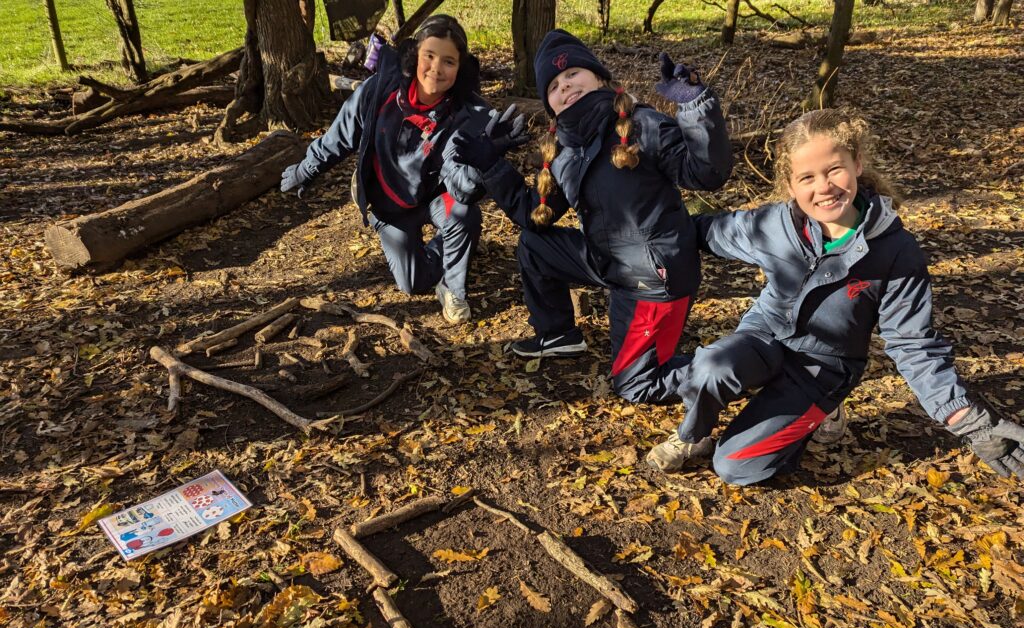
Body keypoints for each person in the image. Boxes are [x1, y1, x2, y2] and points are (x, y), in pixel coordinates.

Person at [646, 108, 1024, 484]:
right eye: (807, 177)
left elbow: (913, 344)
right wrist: (636, 232)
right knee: (712, 364)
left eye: (834, 170)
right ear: (791, 186)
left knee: (736, 467)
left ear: (857, 164)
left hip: (824, 366)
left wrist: (962, 416)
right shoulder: (773, 225)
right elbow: (703, 231)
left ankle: (820, 409)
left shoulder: (895, 252)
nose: (823, 187)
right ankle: (692, 437)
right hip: (763, 336)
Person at [452, 30, 732, 403]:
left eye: (572, 75)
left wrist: (695, 104)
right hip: (609, 262)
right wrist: (491, 164)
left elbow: (707, 173)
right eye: (553, 85)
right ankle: (557, 334)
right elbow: (533, 215)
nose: (565, 86)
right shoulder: (565, 152)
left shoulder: (640, 126)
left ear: (599, 78)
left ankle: (743, 361)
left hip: (655, 280)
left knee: (635, 386)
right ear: (550, 105)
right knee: (534, 245)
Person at [280, 16, 521, 324]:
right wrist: (307, 169)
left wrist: (486, 161)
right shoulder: (379, 92)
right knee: (413, 284)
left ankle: (452, 284)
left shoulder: (470, 115)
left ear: (460, 69)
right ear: (414, 55)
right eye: (429, 56)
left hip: (435, 196)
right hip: (389, 203)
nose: (436, 68)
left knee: (462, 212)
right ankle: (448, 253)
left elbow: (463, 187)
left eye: (448, 61)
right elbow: (340, 136)